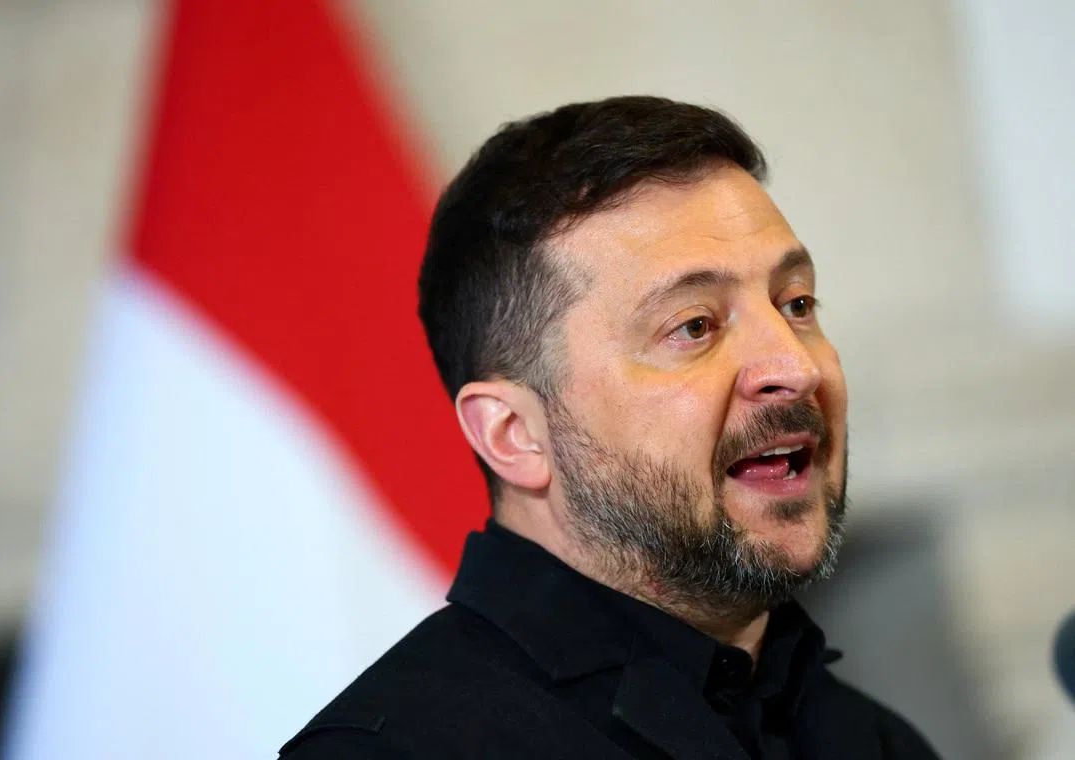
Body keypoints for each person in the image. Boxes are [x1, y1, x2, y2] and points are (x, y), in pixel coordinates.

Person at [279, 96, 941, 759]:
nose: (795, 367)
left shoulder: (878, 743)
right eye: (694, 326)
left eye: (796, 303)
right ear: (514, 433)